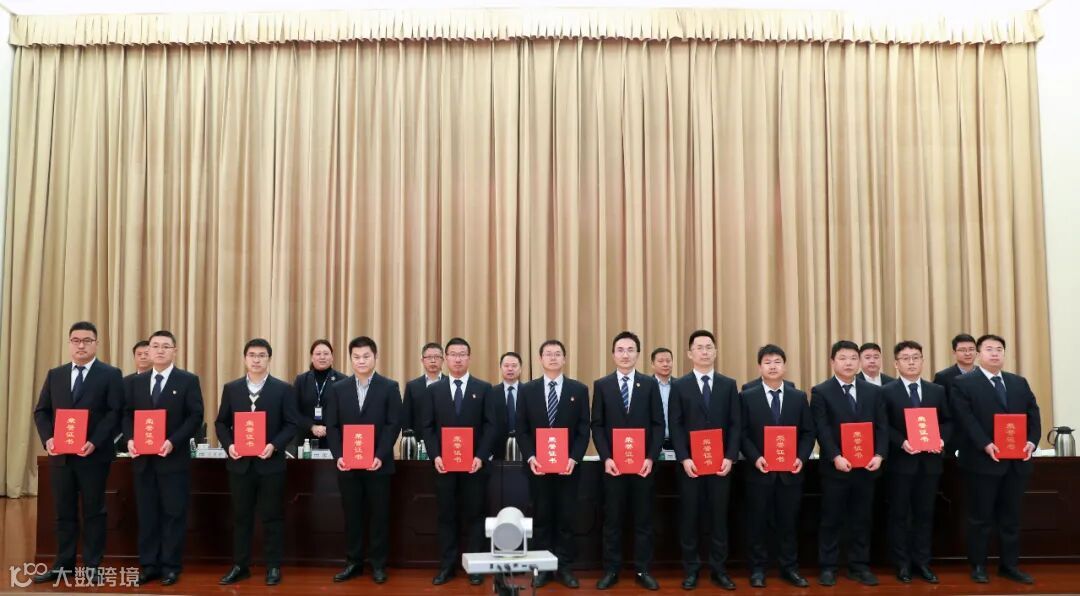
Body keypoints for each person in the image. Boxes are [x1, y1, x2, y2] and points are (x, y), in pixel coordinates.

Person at [32, 321, 124, 585]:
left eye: (87, 340)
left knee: (94, 511)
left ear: (96, 343)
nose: (81, 345)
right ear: (70, 343)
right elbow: (42, 411)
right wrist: (48, 439)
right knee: (63, 511)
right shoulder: (56, 375)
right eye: (76, 340)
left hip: (93, 455)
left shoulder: (110, 374)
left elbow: (115, 413)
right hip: (61, 456)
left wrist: (95, 441)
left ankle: (93, 565)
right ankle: (64, 564)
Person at [950, 334, 1040, 585]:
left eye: (999, 349)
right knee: (980, 517)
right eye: (989, 349)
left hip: (1016, 463)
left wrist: (1031, 441)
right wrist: (985, 444)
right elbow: (965, 418)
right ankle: (978, 565)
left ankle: (1009, 566)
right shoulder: (963, 383)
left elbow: (1033, 413)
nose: (995, 353)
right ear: (979, 354)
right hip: (982, 462)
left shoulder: (1018, 382)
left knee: (1011, 518)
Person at [214, 338, 300, 586]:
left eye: (262, 355)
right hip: (240, 465)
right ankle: (240, 566)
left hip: (271, 465)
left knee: (272, 517)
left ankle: (273, 566)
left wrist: (274, 445)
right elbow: (221, 422)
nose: (256, 359)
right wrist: (229, 445)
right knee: (241, 517)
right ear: (245, 359)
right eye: (252, 355)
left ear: (269, 359)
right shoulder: (232, 388)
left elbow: (291, 424)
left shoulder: (283, 389)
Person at [122, 330, 204, 586]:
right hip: (143, 461)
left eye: (165, 346)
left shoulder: (187, 380)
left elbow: (195, 416)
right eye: (155, 346)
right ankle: (149, 565)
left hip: (173, 460)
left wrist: (173, 441)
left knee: (173, 514)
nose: (159, 350)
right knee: (147, 514)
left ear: (174, 351)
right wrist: (130, 439)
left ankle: (170, 566)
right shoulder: (135, 382)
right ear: (148, 350)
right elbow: (126, 415)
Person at [417, 338, 495, 586]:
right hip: (444, 466)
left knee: (475, 515)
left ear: (469, 358)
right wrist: (435, 455)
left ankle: (475, 567)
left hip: (474, 466)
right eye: (453, 354)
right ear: (446, 358)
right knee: (446, 516)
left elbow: (491, 426)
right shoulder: (434, 390)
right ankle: (447, 566)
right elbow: (427, 427)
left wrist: (480, 456)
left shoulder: (484, 388)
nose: (458, 359)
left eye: (462, 354)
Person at [591, 331, 665, 591]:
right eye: (620, 350)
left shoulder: (649, 384)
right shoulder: (602, 385)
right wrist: (606, 457)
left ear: (638, 354)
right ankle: (611, 570)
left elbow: (658, 424)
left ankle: (643, 570)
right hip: (614, 467)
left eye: (630, 349)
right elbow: (597, 425)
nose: (625, 354)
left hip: (643, 467)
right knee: (612, 520)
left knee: (644, 520)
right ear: (613, 354)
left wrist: (650, 458)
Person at [324, 336, 401, 584]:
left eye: (366, 356)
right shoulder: (338, 389)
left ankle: (378, 565)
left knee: (379, 516)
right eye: (356, 357)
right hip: (348, 465)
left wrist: (380, 455)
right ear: (350, 359)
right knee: (352, 516)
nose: (361, 361)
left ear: (375, 357)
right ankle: (353, 563)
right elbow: (332, 426)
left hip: (378, 465)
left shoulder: (389, 387)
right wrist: (339, 455)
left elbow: (393, 425)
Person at [811, 340, 888, 587]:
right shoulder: (821, 392)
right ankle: (828, 567)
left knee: (862, 518)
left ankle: (859, 565)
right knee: (831, 518)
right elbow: (821, 429)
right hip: (836, 468)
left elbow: (882, 427)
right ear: (832, 362)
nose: (848, 363)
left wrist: (879, 455)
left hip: (866, 468)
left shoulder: (873, 392)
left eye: (853, 358)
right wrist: (836, 456)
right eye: (843, 358)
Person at [668, 330, 740, 590]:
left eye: (709, 347)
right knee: (690, 518)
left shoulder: (728, 384)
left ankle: (719, 570)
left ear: (715, 352)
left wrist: (730, 457)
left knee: (719, 519)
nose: (705, 351)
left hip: (721, 465)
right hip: (691, 466)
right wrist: (684, 458)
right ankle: (692, 569)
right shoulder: (679, 385)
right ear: (690, 353)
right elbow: (675, 424)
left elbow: (735, 423)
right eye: (699, 347)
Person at [515, 340, 590, 588]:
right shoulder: (527, 390)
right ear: (540, 359)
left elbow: (583, 429)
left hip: (568, 468)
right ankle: (542, 568)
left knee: (566, 518)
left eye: (558, 354)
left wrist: (574, 458)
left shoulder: (578, 390)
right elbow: (522, 429)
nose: (553, 358)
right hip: (538, 468)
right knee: (542, 517)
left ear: (564, 359)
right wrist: (531, 457)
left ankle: (565, 567)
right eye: (548, 354)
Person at [739, 344, 813, 588]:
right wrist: (755, 457)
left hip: (790, 473)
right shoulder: (747, 396)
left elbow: (808, 432)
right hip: (759, 472)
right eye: (767, 362)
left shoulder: (798, 397)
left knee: (788, 523)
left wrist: (801, 457)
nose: (773, 366)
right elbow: (742, 433)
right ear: (759, 367)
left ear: (785, 366)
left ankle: (789, 568)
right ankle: (758, 569)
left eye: (777, 362)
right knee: (757, 523)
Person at [882, 340, 950, 584]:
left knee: (924, 514)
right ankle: (902, 564)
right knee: (900, 515)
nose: (911, 362)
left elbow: (948, 421)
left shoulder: (936, 391)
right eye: (905, 358)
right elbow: (883, 425)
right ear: (896, 364)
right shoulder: (886, 391)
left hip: (930, 464)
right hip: (901, 464)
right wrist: (902, 442)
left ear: (922, 360)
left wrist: (941, 439)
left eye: (915, 357)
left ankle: (922, 562)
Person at [293, 339, 344, 450]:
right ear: (312, 357)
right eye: (318, 354)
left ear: (332, 357)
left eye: (326, 354)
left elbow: (345, 412)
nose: (322, 357)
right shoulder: (301, 380)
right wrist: (311, 426)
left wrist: (329, 428)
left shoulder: (343, 380)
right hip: (305, 438)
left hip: (333, 438)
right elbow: (293, 410)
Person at [933, 333, 977, 458]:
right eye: (962, 350)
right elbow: (939, 408)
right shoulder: (943, 377)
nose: (968, 353)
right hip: (955, 435)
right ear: (954, 352)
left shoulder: (984, 375)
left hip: (980, 434)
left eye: (971, 349)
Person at [401, 342, 444, 442]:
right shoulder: (412, 386)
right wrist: (409, 442)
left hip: (444, 439)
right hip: (419, 441)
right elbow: (407, 419)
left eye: (437, 357)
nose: (433, 361)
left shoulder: (450, 384)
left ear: (443, 360)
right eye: (429, 357)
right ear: (422, 360)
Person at [489, 351, 524, 461]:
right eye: (506, 366)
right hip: (497, 448)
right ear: (500, 368)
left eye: (514, 366)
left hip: (524, 447)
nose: (510, 369)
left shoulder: (529, 391)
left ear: (520, 369)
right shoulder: (491, 393)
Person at [650, 347, 674, 448]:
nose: (665, 364)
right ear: (652, 364)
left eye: (668, 361)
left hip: (676, 442)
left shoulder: (680, 386)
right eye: (660, 361)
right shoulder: (646, 386)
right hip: (652, 442)